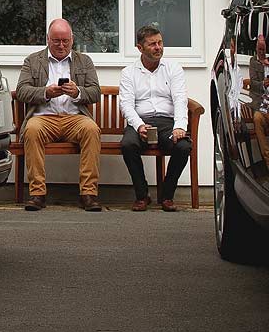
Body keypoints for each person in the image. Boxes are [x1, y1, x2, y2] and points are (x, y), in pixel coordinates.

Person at [14, 18, 102, 211]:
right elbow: (21, 91)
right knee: (32, 130)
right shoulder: (32, 60)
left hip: (75, 118)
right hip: (44, 118)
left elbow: (95, 91)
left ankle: (88, 194)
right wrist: (46, 92)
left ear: (72, 39)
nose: (61, 45)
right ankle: (37, 194)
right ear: (47, 39)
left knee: (92, 130)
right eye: (56, 41)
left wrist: (77, 92)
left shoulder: (84, 61)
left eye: (65, 41)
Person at [118, 24, 191, 211]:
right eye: (152, 44)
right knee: (128, 145)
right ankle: (142, 196)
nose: (158, 47)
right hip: (141, 122)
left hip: (167, 123)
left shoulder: (173, 68)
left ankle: (167, 195)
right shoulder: (129, 73)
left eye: (160, 42)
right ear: (140, 48)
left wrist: (180, 126)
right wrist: (140, 125)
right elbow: (126, 105)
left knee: (183, 146)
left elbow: (180, 99)